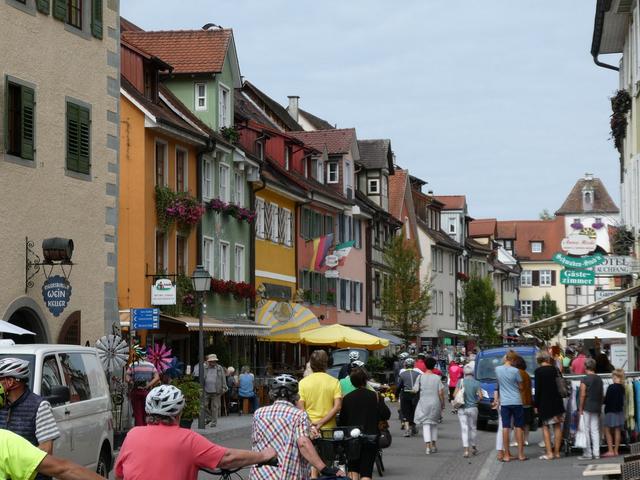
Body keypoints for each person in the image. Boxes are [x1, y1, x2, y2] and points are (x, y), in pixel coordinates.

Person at [115, 385, 276, 480]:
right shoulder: (188, 439)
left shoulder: (133, 435)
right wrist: (263, 456)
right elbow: (227, 458)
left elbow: (119, 474)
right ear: (179, 413)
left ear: (148, 412)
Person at [250, 374, 343, 479]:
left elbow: (256, 442)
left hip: (260, 474)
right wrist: (324, 469)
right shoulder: (298, 415)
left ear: (273, 393)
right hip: (286, 474)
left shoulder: (258, 414)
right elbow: (303, 443)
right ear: (295, 395)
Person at [0, 358, 60, 480]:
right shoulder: (1, 405)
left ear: (10, 381)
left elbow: (46, 449)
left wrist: (14, 462)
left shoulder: (39, 406)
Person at [338, 366, 390, 480]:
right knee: (366, 472)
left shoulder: (347, 398)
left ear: (352, 382)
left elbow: (342, 420)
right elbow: (386, 414)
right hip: (371, 437)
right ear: (366, 379)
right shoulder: (375, 396)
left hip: (352, 439)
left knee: (353, 470)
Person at [297, 350, 342, 477]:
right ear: (326, 364)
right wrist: (321, 422)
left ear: (310, 364)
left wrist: (311, 425)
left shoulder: (303, 383)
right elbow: (337, 406)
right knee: (326, 464)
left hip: (308, 429)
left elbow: (300, 409)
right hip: (328, 429)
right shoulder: (334, 382)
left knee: (311, 462)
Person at [494, 351, 526, 462]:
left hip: (505, 402)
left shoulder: (498, 369)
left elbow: (499, 384)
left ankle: (506, 455)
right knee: (518, 427)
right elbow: (521, 387)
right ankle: (521, 454)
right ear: (513, 360)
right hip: (516, 401)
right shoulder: (516, 371)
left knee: (505, 427)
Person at [534, 352, 565, 460]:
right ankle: (557, 452)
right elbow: (561, 384)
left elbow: (538, 390)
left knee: (545, 427)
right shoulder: (555, 369)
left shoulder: (538, 372)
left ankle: (549, 453)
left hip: (544, 402)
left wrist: (536, 404)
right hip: (557, 401)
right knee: (557, 426)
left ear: (539, 360)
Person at [414, 357, 445, 455]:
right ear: (434, 366)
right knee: (434, 424)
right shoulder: (437, 378)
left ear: (425, 365)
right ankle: (434, 445)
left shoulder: (420, 377)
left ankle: (428, 447)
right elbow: (440, 392)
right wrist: (443, 403)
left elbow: (415, 389)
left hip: (424, 402)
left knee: (426, 425)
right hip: (435, 402)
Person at [453, 364, 482, 458]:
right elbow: (480, 396)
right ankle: (474, 447)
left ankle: (466, 451)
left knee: (464, 429)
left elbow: (454, 395)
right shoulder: (476, 382)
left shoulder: (460, 381)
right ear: (473, 372)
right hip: (473, 408)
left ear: (464, 373)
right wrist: (475, 401)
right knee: (473, 427)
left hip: (462, 408)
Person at [125, 353, 160, 427]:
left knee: (137, 413)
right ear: (146, 356)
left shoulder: (132, 365)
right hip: (147, 392)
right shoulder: (151, 365)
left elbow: (127, 377)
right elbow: (157, 377)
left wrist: (131, 382)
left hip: (135, 391)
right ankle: (147, 429)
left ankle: (139, 430)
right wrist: (149, 385)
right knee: (147, 412)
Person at [578, 358, 604, 460]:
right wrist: (600, 406)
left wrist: (580, 408)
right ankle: (596, 453)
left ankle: (588, 453)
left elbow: (582, 395)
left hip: (587, 406)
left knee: (586, 430)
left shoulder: (585, 379)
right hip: (597, 406)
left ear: (585, 367)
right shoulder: (599, 379)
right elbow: (601, 394)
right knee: (595, 430)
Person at [196, 354, 226, 427]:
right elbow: (197, 374)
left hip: (216, 390)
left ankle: (214, 422)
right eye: (211, 361)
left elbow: (223, 377)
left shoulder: (219, 368)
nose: (213, 362)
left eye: (214, 361)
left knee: (215, 407)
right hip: (206, 390)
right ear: (208, 361)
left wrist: (224, 386)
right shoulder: (204, 367)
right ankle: (209, 417)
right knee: (203, 405)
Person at [602, 369, 625, 458]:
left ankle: (610, 450)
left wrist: (603, 398)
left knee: (607, 430)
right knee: (617, 430)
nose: (612, 378)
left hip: (610, 411)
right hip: (619, 411)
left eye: (613, 376)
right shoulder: (622, 387)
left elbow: (607, 400)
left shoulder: (611, 387)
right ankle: (616, 451)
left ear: (615, 376)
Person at [397, 357, 421, 436]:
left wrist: (396, 394)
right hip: (415, 394)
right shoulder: (418, 374)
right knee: (414, 411)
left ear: (405, 365)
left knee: (405, 411)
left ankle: (407, 430)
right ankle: (413, 427)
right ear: (413, 365)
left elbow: (399, 386)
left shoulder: (402, 374)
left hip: (405, 394)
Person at [513, 356, 532, 447]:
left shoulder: (516, 373)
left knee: (518, 422)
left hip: (519, 400)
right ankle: (526, 440)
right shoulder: (527, 374)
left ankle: (517, 440)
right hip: (528, 401)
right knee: (526, 422)